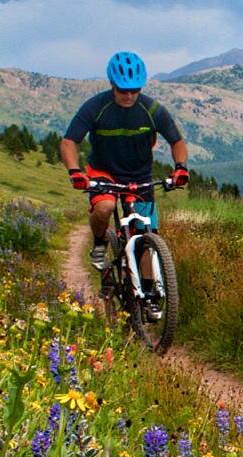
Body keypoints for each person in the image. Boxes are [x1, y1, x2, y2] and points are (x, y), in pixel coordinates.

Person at [60, 49, 189, 284]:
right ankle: (99, 243)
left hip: (139, 175)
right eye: (123, 90)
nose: (129, 95)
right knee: (105, 207)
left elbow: (176, 141)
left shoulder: (151, 110)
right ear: (112, 85)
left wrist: (180, 167)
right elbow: (69, 141)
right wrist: (75, 171)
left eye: (135, 90)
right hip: (103, 172)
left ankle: (147, 296)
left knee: (145, 235)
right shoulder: (95, 107)